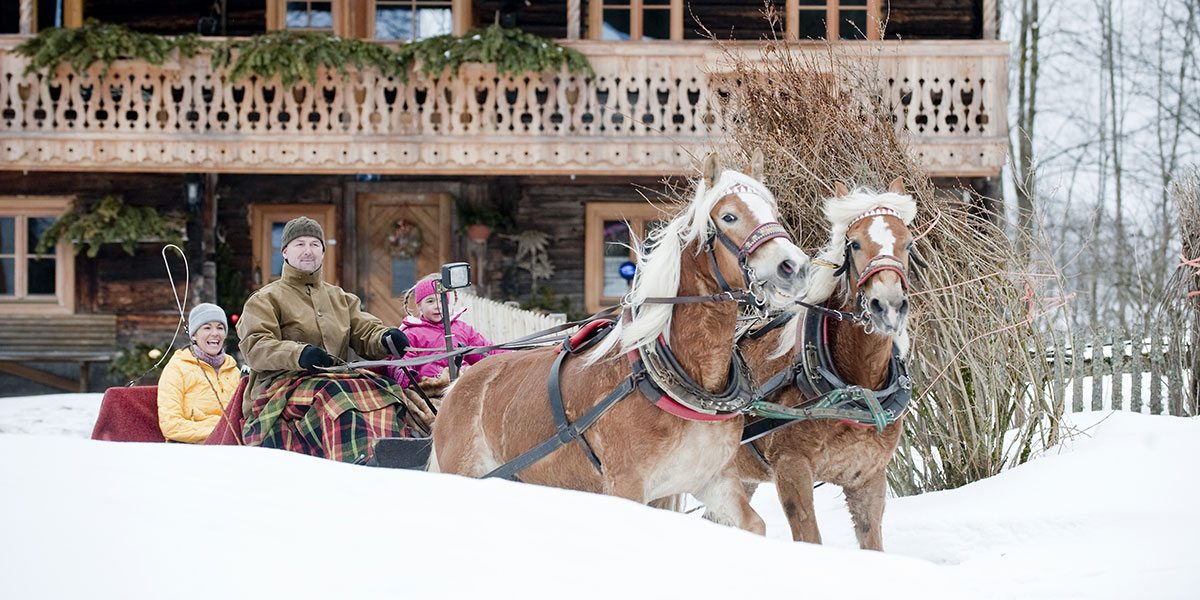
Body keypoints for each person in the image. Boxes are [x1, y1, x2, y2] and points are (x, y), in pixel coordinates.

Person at [237, 216, 414, 463]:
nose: (308, 251)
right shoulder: (265, 299)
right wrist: (299, 354)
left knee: (385, 390)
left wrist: (384, 338)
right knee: (336, 395)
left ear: (322, 252)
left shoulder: (340, 298)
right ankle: (355, 461)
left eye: (314, 244)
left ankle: (393, 457)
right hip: (280, 386)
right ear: (285, 251)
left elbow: (363, 329)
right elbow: (255, 346)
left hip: (334, 378)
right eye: (300, 244)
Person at [387, 275, 504, 389]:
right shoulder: (412, 333)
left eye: (441, 300)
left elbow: (486, 350)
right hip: (432, 388)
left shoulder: (461, 328)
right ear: (419, 306)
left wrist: (511, 355)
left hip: (463, 384)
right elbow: (402, 361)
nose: (437, 306)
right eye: (430, 301)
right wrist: (407, 376)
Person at [156, 302, 242, 443]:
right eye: (207, 328)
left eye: (220, 328)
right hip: (192, 448)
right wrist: (220, 432)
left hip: (233, 444)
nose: (215, 333)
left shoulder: (233, 370)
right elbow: (171, 425)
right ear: (194, 335)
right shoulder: (177, 368)